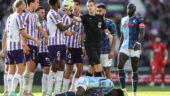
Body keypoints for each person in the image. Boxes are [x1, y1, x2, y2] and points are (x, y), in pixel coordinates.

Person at [64, 0, 111, 77]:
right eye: (88, 6)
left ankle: (85, 84)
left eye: (91, 5)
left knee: (91, 67)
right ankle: (98, 86)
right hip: (89, 45)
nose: (89, 7)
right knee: (98, 65)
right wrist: (70, 14)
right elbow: (77, 19)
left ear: (95, 7)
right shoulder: (85, 17)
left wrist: (109, 34)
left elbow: (105, 29)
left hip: (98, 45)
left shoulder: (99, 17)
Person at [4, 0, 41, 96]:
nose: (25, 6)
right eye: (24, 5)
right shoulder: (19, 17)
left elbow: (6, 33)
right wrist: (35, 39)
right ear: (20, 7)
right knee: (21, 69)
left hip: (9, 48)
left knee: (11, 70)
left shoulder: (10, 17)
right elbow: (23, 33)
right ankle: (12, 91)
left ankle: (10, 91)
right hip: (17, 47)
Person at [46, 0, 75, 95]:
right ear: (55, 3)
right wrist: (70, 25)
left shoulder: (57, 13)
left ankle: (57, 92)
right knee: (54, 67)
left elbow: (60, 30)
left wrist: (66, 34)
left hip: (61, 44)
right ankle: (49, 92)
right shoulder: (52, 13)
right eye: (59, 1)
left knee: (62, 66)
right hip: (55, 44)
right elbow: (61, 28)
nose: (60, 2)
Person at [22, 0, 49, 95]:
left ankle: (28, 91)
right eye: (37, 2)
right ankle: (24, 91)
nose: (38, 3)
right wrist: (24, 44)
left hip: (35, 45)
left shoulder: (35, 16)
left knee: (32, 68)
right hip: (28, 44)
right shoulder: (25, 14)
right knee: (29, 67)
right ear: (31, 3)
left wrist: (48, 38)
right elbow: (22, 31)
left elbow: (39, 28)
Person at [118, 4, 145, 96]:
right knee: (119, 65)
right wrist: (119, 47)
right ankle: (124, 90)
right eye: (128, 8)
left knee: (134, 69)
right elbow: (122, 35)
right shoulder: (123, 20)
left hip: (135, 47)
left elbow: (142, 33)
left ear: (135, 9)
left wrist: (138, 43)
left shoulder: (139, 19)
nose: (129, 9)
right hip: (124, 47)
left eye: (131, 8)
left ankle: (134, 93)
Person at [62, 0, 86, 92]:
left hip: (78, 47)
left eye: (76, 5)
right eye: (73, 5)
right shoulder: (65, 17)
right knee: (69, 69)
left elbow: (82, 32)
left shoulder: (81, 18)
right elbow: (61, 31)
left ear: (79, 6)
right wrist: (65, 38)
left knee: (80, 68)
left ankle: (72, 89)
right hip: (69, 46)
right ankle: (64, 90)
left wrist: (83, 46)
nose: (75, 7)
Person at [96, 4, 117, 79]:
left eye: (100, 11)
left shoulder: (110, 23)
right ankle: (97, 88)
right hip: (95, 50)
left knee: (107, 70)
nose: (98, 12)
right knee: (96, 71)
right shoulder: (93, 22)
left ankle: (109, 89)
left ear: (104, 11)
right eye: (97, 11)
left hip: (106, 50)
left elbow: (114, 37)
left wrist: (112, 51)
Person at [0, 6, 16, 96]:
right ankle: (7, 91)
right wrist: (3, 49)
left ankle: (10, 91)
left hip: (13, 47)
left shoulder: (12, 18)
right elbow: (5, 35)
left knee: (13, 69)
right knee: (8, 68)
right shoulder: (10, 19)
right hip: (11, 47)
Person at [35, 6, 51, 96]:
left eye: (44, 12)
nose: (43, 14)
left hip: (44, 50)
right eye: (41, 12)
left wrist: (48, 39)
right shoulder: (33, 23)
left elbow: (50, 34)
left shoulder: (46, 23)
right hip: (35, 49)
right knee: (31, 70)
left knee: (47, 69)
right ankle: (26, 91)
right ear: (37, 13)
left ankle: (44, 92)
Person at [55, 76, 124, 96]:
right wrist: (88, 90)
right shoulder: (109, 84)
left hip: (88, 88)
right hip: (86, 81)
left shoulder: (107, 93)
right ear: (115, 93)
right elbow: (97, 83)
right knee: (79, 94)